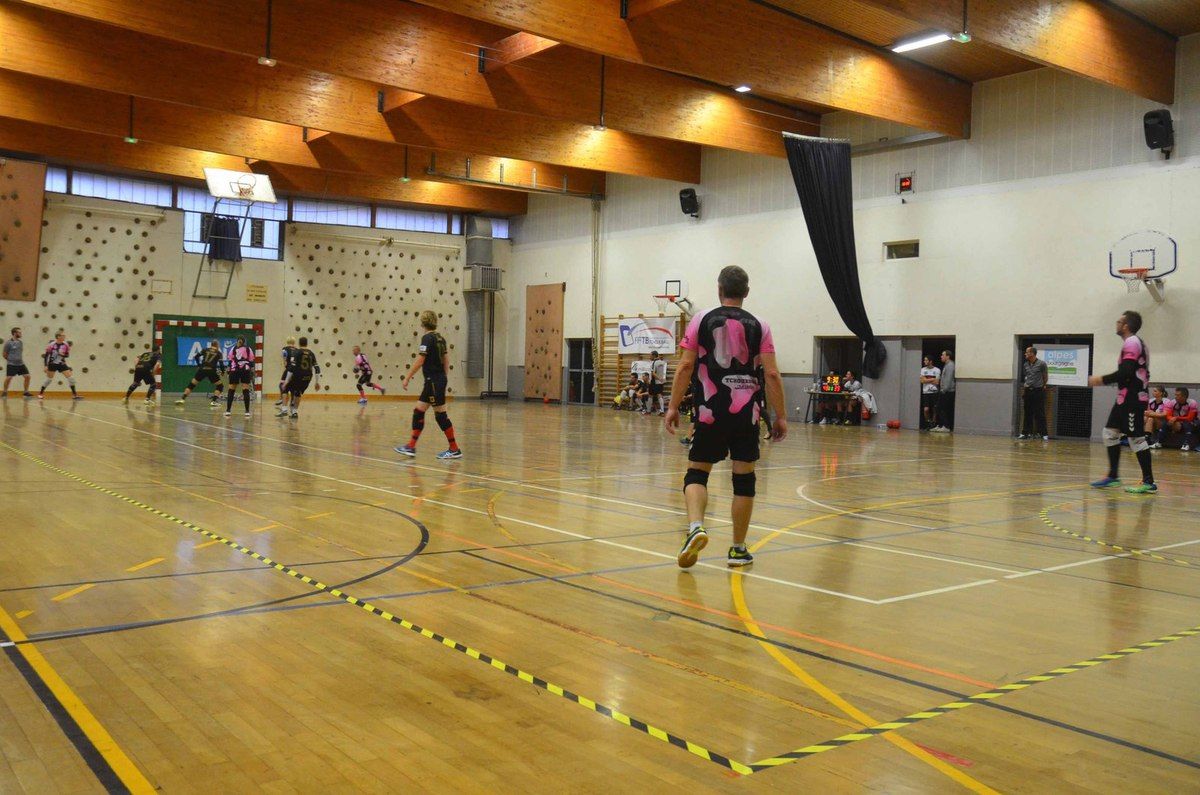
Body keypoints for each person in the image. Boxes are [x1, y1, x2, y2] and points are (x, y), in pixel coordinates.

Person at [665, 265, 787, 569]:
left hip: (709, 410)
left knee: (697, 473)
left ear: (719, 289)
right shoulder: (760, 325)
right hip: (746, 414)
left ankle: (696, 526)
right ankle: (738, 549)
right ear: (747, 292)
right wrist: (781, 416)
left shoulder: (701, 319)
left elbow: (685, 367)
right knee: (744, 480)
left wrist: (673, 406)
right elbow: (771, 373)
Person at [1089, 310, 1155, 493]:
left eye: (1119, 321)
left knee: (1136, 438)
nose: (1116, 324)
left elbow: (1126, 371)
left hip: (1133, 398)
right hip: (1124, 398)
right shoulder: (1134, 342)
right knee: (1109, 433)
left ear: (1126, 326)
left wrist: (1100, 380)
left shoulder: (1132, 342)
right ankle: (1113, 477)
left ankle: (1149, 482)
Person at [395, 310, 462, 460]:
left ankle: (454, 449)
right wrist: (443, 378)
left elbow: (420, 360)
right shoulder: (440, 338)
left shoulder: (427, 338)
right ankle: (411, 447)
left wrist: (407, 377)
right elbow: (446, 360)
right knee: (419, 411)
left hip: (433, 382)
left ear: (423, 323)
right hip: (436, 381)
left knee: (440, 416)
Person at [277, 337, 321, 419]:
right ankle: (294, 412)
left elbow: (291, 368)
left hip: (298, 375)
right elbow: (317, 368)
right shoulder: (311, 353)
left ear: (299, 343)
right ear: (307, 343)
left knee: (284, 387)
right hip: (307, 377)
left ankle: (284, 409)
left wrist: (286, 381)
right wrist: (317, 382)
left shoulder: (297, 352)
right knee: (298, 392)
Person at [176, 340, 226, 405]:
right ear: (217, 345)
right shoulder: (219, 353)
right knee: (220, 386)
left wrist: (199, 365)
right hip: (211, 370)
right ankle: (213, 401)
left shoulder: (205, 350)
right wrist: (222, 372)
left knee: (192, 384)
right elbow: (221, 364)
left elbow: (196, 356)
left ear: (211, 344)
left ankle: (182, 399)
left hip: (202, 369)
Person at [1017, 346, 1050, 440]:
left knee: (1040, 413)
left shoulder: (1042, 364)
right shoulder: (1025, 364)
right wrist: (1026, 385)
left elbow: (1045, 376)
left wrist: (1043, 385)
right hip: (1028, 391)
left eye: (1027, 352)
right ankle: (1026, 433)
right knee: (1027, 412)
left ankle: (1043, 434)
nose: (1025, 354)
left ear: (1032, 353)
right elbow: (1026, 376)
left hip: (1038, 391)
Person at [39, 330, 81, 400]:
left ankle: (74, 395)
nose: (64, 337)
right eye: (63, 335)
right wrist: (45, 366)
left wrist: (62, 355)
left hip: (61, 364)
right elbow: (46, 356)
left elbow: (67, 355)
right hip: (52, 364)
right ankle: (40, 393)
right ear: (58, 337)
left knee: (71, 378)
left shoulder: (66, 344)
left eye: (64, 335)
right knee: (49, 380)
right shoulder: (51, 345)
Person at [224, 336, 256, 418]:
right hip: (245, 370)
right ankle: (247, 411)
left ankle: (228, 410)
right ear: (244, 342)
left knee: (231, 390)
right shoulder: (248, 349)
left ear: (237, 341)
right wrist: (252, 372)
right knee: (245, 390)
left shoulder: (233, 349)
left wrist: (228, 371)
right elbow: (251, 362)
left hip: (234, 370)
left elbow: (230, 361)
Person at [1162, 387, 1198, 451]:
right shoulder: (1172, 402)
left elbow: (1190, 418)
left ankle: (1186, 444)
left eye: (1178, 395)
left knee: (1188, 425)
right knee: (1165, 423)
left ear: (1184, 396)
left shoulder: (1192, 403)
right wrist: (1171, 419)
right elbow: (1168, 415)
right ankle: (1159, 442)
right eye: (1175, 395)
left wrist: (1176, 418)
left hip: (1190, 421)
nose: (1175, 397)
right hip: (1177, 421)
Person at [2, 327, 32, 399]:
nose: (21, 334)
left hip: (21, 364)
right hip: (11, 364)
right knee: (9, 378)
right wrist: (11, 360)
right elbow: (4, 354)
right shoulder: (8, 343)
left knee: (27, 376)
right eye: (19, 332)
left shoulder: (20, 342)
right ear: (15, 333)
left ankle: (26, 392)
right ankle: (5, 392)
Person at [931, 350, 955, 432]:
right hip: (944, 391)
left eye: (943, 355)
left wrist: (944, 389)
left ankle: (946, 426)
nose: (941, 356)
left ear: (948, 356)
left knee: (942, 408)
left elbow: (948, 379)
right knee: (939, 408)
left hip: (947, 391)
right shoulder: (947, 365)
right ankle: (941, 425)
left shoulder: (950, 365)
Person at [919, 355, 940, 430]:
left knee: (935, 408)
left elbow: (937, 382)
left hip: (934, 392)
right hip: (926, 392)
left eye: (926, 360)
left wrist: (926, 379)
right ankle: (928, 422)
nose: (924, 361)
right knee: (926, 409)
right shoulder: (923, 370)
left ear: (930, 361)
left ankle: (934, 423)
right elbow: (922, 381)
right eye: (924, 360)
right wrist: (932, 379)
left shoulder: (937, 370)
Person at [276, 336, 297, 409]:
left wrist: (285, 363)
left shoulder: (285, 349)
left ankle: (282, 398)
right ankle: (292, 401)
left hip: (289, 369)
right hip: (295, 370)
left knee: (282, 384)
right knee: (293, 385)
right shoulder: (297, 350)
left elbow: (284, 357)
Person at [649, 351, 667, 415]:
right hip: (661, 382)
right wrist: (662, 379)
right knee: (660, 395)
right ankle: (662, 411)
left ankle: (648, 410)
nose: (649, 357)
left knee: (650, 395)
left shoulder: (654, 362)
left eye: (650, 355)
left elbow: (653, 373)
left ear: (654, 356)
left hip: (655, 381)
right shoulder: (663, 362)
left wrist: (658, 378)